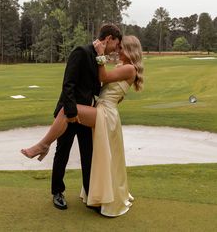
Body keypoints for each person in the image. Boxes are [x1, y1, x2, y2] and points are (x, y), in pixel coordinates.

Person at [21, 35, 144, 217]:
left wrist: (101, 55)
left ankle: (43, 145)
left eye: (121, 48)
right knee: (66, 149)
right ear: (108, 38)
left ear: (130, 50)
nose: (117, 51)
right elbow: (77, 84)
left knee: (79, 137)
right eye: (117, 47)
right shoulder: (90, 55)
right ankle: (59, 190)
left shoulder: (128, 68)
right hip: (97, 111)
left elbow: (103, 77)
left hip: (101, 113)